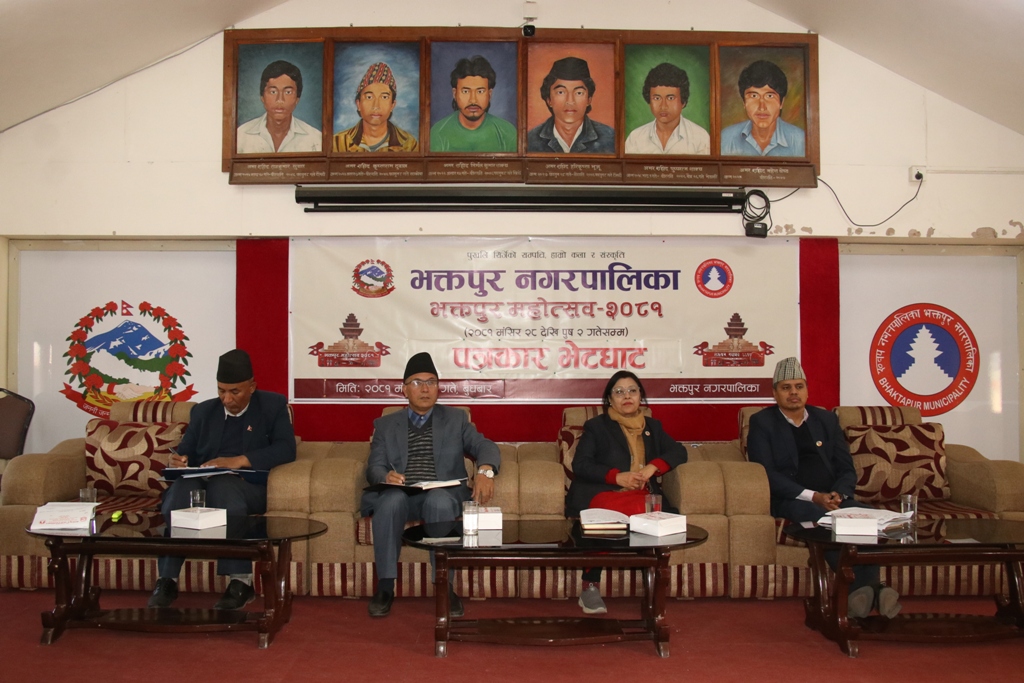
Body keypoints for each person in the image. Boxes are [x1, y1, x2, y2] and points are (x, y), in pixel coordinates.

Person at [746, 357, 901, 619]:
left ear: (807, 390)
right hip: (792, 499)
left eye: (799, 386)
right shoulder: (763, 422)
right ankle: (872, 589)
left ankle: (865, 592)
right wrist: (814, 497)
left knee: (867, 518)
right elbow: (765, 472)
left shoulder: (826, 420)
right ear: (775, 393)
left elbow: (846, 467)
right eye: (786, 387)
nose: (793, 392)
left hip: (833, 497)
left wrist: (839, 494)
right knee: (826, 521)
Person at [148, 349, 297, 610]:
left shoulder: (272, 406)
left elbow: (287, 448)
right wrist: (178, 460)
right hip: (203, 480)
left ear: (252, 387)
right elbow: (186, 450)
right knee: (181, 491)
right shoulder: (204, 411)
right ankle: (167, 580)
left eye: (234, 392)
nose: (227, 399)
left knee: (223, 487)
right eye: (221, 391)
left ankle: (240, 582)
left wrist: (240, 460)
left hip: (246, 486)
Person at [360, 352, 500, 618]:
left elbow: (485, 445)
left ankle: (444, 586)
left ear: (438, 387)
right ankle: (386, 586)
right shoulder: (386, 425)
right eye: (417, 382)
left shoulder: (456, 419)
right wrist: (385, 477)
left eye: (431, 382)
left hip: (442, 493)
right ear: (404, 390)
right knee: (390, 500)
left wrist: (485, 471)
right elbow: (374, 467)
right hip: (402, 493)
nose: (425, 389)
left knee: (439, 500)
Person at [565, 371, 687, 615]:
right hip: (604, 493)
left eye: (632, 390)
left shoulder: (653, 426)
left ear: (640, 396)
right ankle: (590, 586)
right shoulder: (597, 427)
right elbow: (581, 464)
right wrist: (617, 476)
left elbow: (679, 451)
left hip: (640, 495)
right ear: (610, 399)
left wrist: (654, 467)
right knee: (609, 519)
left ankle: (653, 584)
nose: (627, 396)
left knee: (660, 516)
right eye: (619, 392)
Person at [527, 56, 615, 154]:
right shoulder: (530, 140)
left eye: (579, 93)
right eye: (561, 92)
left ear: (589, 100)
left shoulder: (611, 139)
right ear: (549, 100)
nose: (570, 101)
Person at [429, 55, 517, 152]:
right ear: (454, 93)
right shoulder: (438, 133)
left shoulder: (508, 133)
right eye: (466, 91)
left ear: (490, 94)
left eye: (480, 91)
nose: (473, 100)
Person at [720, 59, 806, 157]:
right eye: (754, 96)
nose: (762, 107)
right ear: (744, 102)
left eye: (769, 96)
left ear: (781, 102)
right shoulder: (725, 139)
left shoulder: (801, 141)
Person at [236, 60, 322, 154]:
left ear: (297, 98)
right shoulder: (241, 135)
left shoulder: (315, 139)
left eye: (288, 92)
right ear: (262, 97)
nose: (280, 100)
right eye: (273, 92)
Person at [624, 62, 710, 155]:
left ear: (683, 102)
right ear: (649, 101)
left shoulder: (700, 138)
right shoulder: (635, 138)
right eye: (657, 98)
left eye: (670, 98)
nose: (663, 106)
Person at [333, 62, 418, 152]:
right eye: (369, 97)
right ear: (358, 104)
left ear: (392, 105)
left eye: (384, 97)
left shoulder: (409, 144)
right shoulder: (337, 143)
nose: (376, 106)